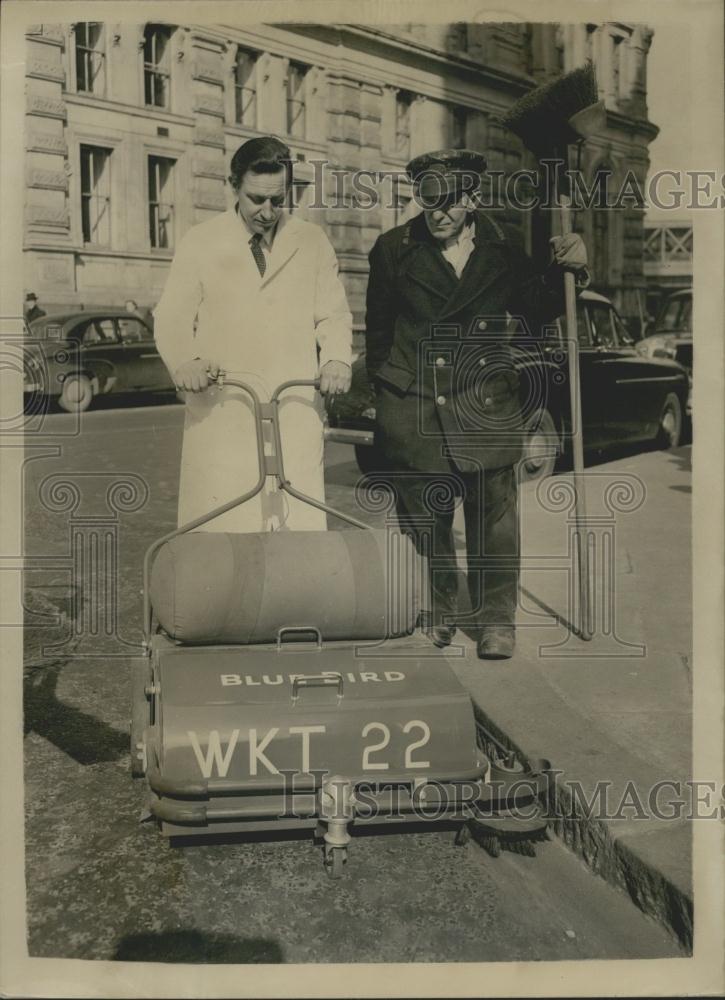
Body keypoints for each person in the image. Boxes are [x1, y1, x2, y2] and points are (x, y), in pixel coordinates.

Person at [365, 148, 589, 660]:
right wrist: (388, 391)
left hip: (483, 398)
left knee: (493, 518)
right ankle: (438, 612)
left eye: (449, 202)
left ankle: (495, 622)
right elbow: (378, 333)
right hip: (417, 401)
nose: (438, 214)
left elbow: (537, 307)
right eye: (428, 201)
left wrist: (569, 269)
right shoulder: (391, 249)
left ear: (472, 198)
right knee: (426, 521)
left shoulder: (502, 247)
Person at [154, 136, 352, 533]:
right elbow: (172, 315)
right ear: (234, 186)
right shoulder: (202, 241)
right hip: (225, 405)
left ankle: (293, 596)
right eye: (256, 199)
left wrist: (335, 358)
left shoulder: (311, 242)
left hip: (292, 404)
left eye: (277, 201)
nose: (267, 211)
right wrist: (185, 361)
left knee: (296, 526)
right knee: (223, 526)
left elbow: (333, 314)